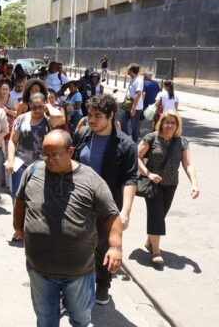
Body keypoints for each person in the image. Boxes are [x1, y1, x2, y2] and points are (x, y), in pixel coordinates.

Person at [13, 130, 124, 327]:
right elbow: (20, 200)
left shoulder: (91, 180)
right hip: (40, 269)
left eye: (54, 155)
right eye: (45, 155)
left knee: (80, 320)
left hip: (78, 272)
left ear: (70, 151)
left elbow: (111, 215)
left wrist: (115, 247)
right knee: (46, 321)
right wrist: (18, 227)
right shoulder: (33, 172)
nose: (48, 160)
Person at [72, 94, 138, 305]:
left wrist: (125, 211)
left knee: (103, 247)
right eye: (89, 115)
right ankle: (73, 288)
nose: (91, 120)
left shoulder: (126, 145)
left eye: (97, 116)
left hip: (107, 208)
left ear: (111, 116)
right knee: (76, 246)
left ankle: (102, 284)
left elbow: (130, 179)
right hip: (79, 204)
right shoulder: (81, 135)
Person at [137, 111, 199, 265]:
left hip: (171, 184)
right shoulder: (151, 138)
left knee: (160, 215)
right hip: (153, 183)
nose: (170, 125)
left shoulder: (182, 142)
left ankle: (150, 241)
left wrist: (194, 184)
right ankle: (156, 252)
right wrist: (148, 174)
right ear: (161, 123)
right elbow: (136, 157)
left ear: (177, 125)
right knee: (156, 215)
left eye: (173, 122)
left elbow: (188, 164)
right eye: (167, 122)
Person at [6, 92, 65, 237]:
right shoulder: (21, 119)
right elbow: (13, 141)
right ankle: (18, 229)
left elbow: (59, 117)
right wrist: (10, 160)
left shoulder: (48, 120)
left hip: (41, 166)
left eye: (40, 107)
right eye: (34, 107)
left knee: (37, 198)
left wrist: (49, 106)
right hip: (21, 164)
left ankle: (33, 228)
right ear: (29, 106)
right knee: (17, 197)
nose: (38, 110)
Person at [117, 63, 144, 142]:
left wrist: (133, 108)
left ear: (131, 70)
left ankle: (134, 143)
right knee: (121, 122)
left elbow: (138, 94)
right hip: (128, 105)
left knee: (134, 126)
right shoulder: (133, 79)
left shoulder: (139, 80)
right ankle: (127, 139)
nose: (127, 70)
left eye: (128, 69)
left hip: (135, 107)